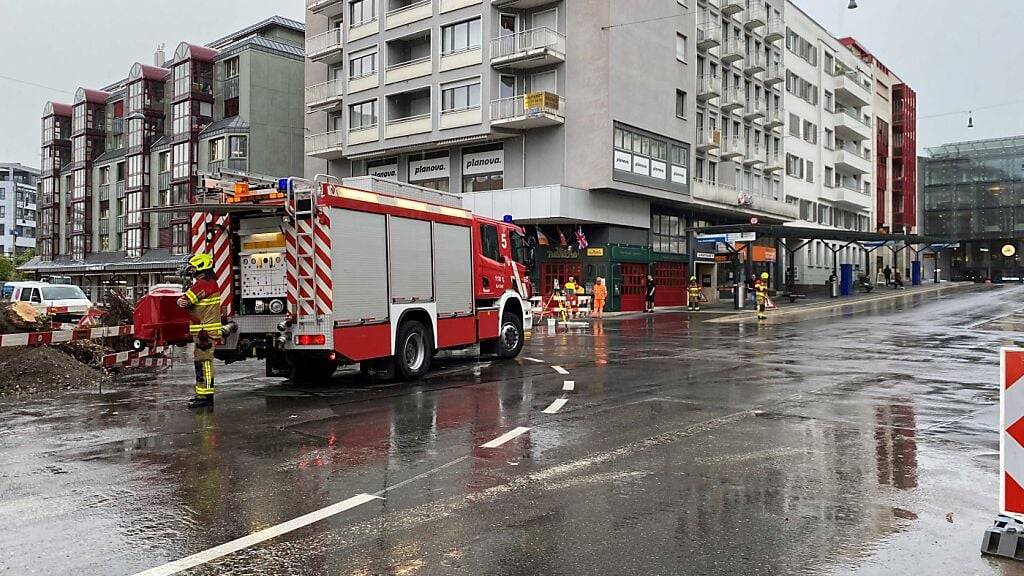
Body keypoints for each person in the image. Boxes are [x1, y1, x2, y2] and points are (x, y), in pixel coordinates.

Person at [177, 253, 223, 408]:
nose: (190, 271)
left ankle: (205, 397)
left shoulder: (203, 284)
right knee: (202, 362)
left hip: (205, 332)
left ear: (200, 267)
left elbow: (184, 301)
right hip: (206, 330)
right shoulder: (210, 283)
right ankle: (203, 395)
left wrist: (181, 299)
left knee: (204, 363)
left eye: (192, 268)